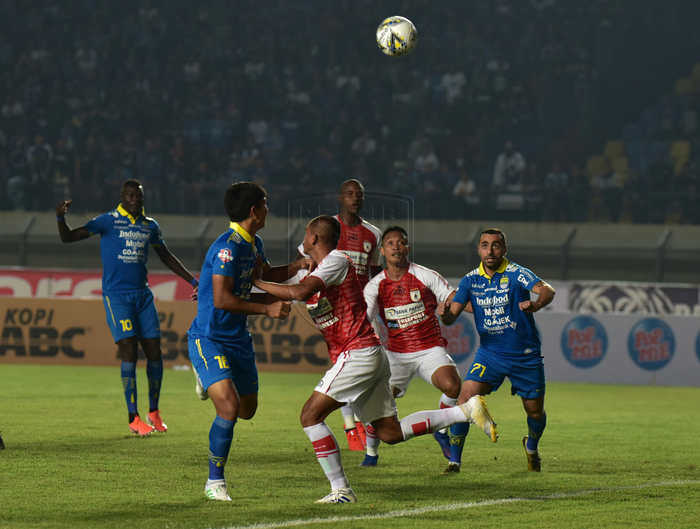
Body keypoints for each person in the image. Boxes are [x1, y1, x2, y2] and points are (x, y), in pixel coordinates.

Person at [254, 215, 496, 503]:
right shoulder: (311, 270)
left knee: (310, 416)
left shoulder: (337, 261)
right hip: (371, 355)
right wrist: (237, 291)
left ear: (314, 239)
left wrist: (257, 280)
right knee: (390, 433)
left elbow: (300, 292)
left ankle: (341, 490)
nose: (303, 240)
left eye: (306, 235)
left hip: (358, 353)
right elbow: (279, 286)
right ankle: (465, 412)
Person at [188, 182, 309, 501]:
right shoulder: (227, 248)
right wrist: (266, 308)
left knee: (246, 411)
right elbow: (222, 299)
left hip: (238, 339)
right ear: (254, 210)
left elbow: (264, 278)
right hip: (208, 338)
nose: (269, 208)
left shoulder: (254, 243)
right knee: (228, 407)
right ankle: (215, 482)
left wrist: (296, 268)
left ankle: (209, 379)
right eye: (265, 203)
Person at [56, 179, 198, 436]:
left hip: (143, 296)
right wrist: (60, 219)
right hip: (117, 297)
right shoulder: (107, 221)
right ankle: (133, 417)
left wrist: (192, 280)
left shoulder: (150, 226)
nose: (135, 199)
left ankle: (153, 412)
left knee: (155, 351)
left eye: (139, 196)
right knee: (129, 350)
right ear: (122, 197)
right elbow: (68, 238)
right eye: (130, 195)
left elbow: (165, 255)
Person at [439, 228, 556, 472]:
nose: (490, 250)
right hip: (490, 354)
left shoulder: (517, 273)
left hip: (525, 355)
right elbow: (452, 317)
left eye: (495, 245)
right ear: (478, 249)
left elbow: (548, 290)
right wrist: (445, 314)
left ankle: (532, 448)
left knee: (534, 412)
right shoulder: (470, 280)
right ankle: (454, 461)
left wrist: (536, 304)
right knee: (464, 398)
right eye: (484, 245)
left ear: (504, 249)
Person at [360, 226, 466, 471]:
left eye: (401, 242)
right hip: (396, 354)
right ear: (383, 251)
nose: (396, 246)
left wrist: (447, 307)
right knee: (378, 405)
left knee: (452, 385)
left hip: (430, 348)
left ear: (408, 248)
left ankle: (440, 429)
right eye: (390, 243)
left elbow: (452, 296)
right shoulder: (375, 286)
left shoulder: (425, 275)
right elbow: (367, 319)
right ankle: (371, 453)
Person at [296, 179, 382, 452]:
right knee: (343, 356)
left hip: (362, 300)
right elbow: (306, 262)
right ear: (340, 198)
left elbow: (376, 271)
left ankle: (359, 423)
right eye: (349, 194)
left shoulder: (373, 233)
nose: (354, 199)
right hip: (332, 298)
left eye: (359, 195)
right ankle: (350, 425)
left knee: (354, 358)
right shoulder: (323, 227)